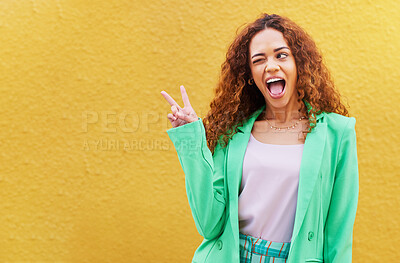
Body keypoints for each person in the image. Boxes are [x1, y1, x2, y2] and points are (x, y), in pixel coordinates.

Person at [161, 13, 359, 263]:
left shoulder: (337, 133)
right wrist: (190, 140)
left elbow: (339, 232)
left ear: (300, 63)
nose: (271, 66)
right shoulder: (232, 131)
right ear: (250, 75)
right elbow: (209, 225)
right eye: (258, 60)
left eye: (281, 55)